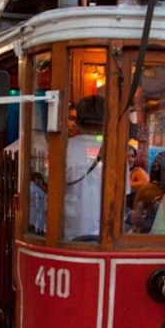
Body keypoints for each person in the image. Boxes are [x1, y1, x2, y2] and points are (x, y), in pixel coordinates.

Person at [64, 95, 105, 241]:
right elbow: (123, 194)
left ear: (78, 123)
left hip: (69, 235)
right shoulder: (115, 152)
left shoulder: (64, 148)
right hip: (105, 237)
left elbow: (51, 186)